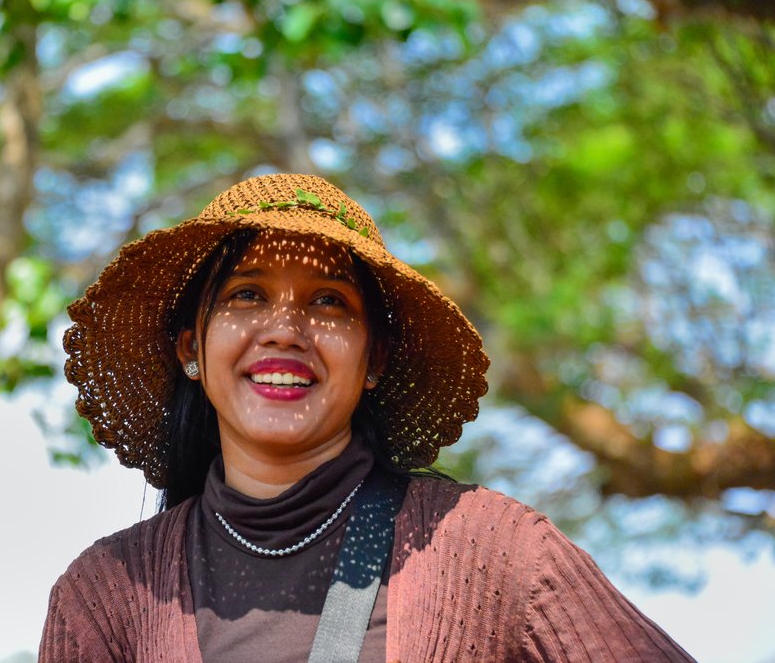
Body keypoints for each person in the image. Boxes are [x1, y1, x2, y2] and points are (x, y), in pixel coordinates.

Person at [39, 174, 693, 662]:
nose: (285, 330)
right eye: (246, 294)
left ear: (374, 355)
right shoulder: (106, 596)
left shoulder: (494, 551)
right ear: (191, 347)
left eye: (328, 301)